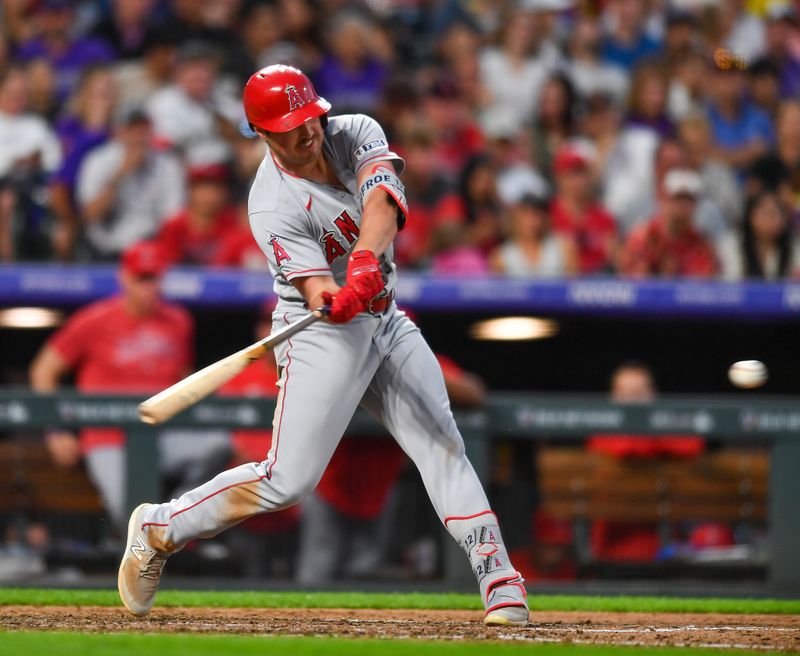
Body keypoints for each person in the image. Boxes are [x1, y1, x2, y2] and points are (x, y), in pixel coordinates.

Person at [117, 64, 529, 626]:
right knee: (287, 482)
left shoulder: (353, 129)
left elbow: (382, 198)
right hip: (322, 332)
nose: (306, 131)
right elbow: (317, 288)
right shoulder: (269, 204)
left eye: (309, 115)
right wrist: (333, 293)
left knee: (441, 442)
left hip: (384, 316)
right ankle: (160, 527)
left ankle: (501, 581)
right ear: (260, 134)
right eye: (289, 125)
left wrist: (363, 260)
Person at [28, 241, 232, 532]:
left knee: (219, 443)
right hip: (108, 437)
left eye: (154, 278)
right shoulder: (95, 319)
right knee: (131, 519)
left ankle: (176, 523)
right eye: (142, 279)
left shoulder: (178, 321)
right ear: (124, 278)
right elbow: (43, 369)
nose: (149, 287)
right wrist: (56, 431)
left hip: (163, 433)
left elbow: (183, 380)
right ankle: (163, 539)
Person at [297, 342, 487, 584]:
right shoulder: (345, 353)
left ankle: (352, 622)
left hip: (379, 483)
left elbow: (474, 393)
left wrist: (407, 369)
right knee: (319, 566)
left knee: (365, 569)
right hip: (329, 481)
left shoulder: (416, 359)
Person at [76, 106, 185, 260]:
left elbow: (173, 219)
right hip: (106, 249)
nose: (139, 137)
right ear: (119, 132)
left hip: (150, 251)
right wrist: (121, 174)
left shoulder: (167, 165)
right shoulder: (98, 161)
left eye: (144, 130)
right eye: (132, 130)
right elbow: (90, 215)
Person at [619, 168, 718, 277]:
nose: (683, 205)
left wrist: (677, 273)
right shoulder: (644, 236)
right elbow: (633, 281)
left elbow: (703, 284)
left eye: (689, 199)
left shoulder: (700, 244)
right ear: (664, 199)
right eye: (678, 198)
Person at [156, 164, 239, 266]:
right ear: (190, 191)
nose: (210, 196)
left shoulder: (232, 222)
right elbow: (168, 266)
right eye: (203, 189)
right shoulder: (174, 226)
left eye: (216, 190)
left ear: (225, 193)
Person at [716, 189, 800, 280]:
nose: (774, 220)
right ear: (751, 216)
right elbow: (729, 285)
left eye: (779, 214)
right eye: (768, 214)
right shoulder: (731, 244)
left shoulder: (792, 247)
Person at [490, 193, 577, 278]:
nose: (531, 222)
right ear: (515, 219)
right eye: (525, 215)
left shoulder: (564, 249)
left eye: (536, 215)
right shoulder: (501, 257)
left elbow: (574, 286)